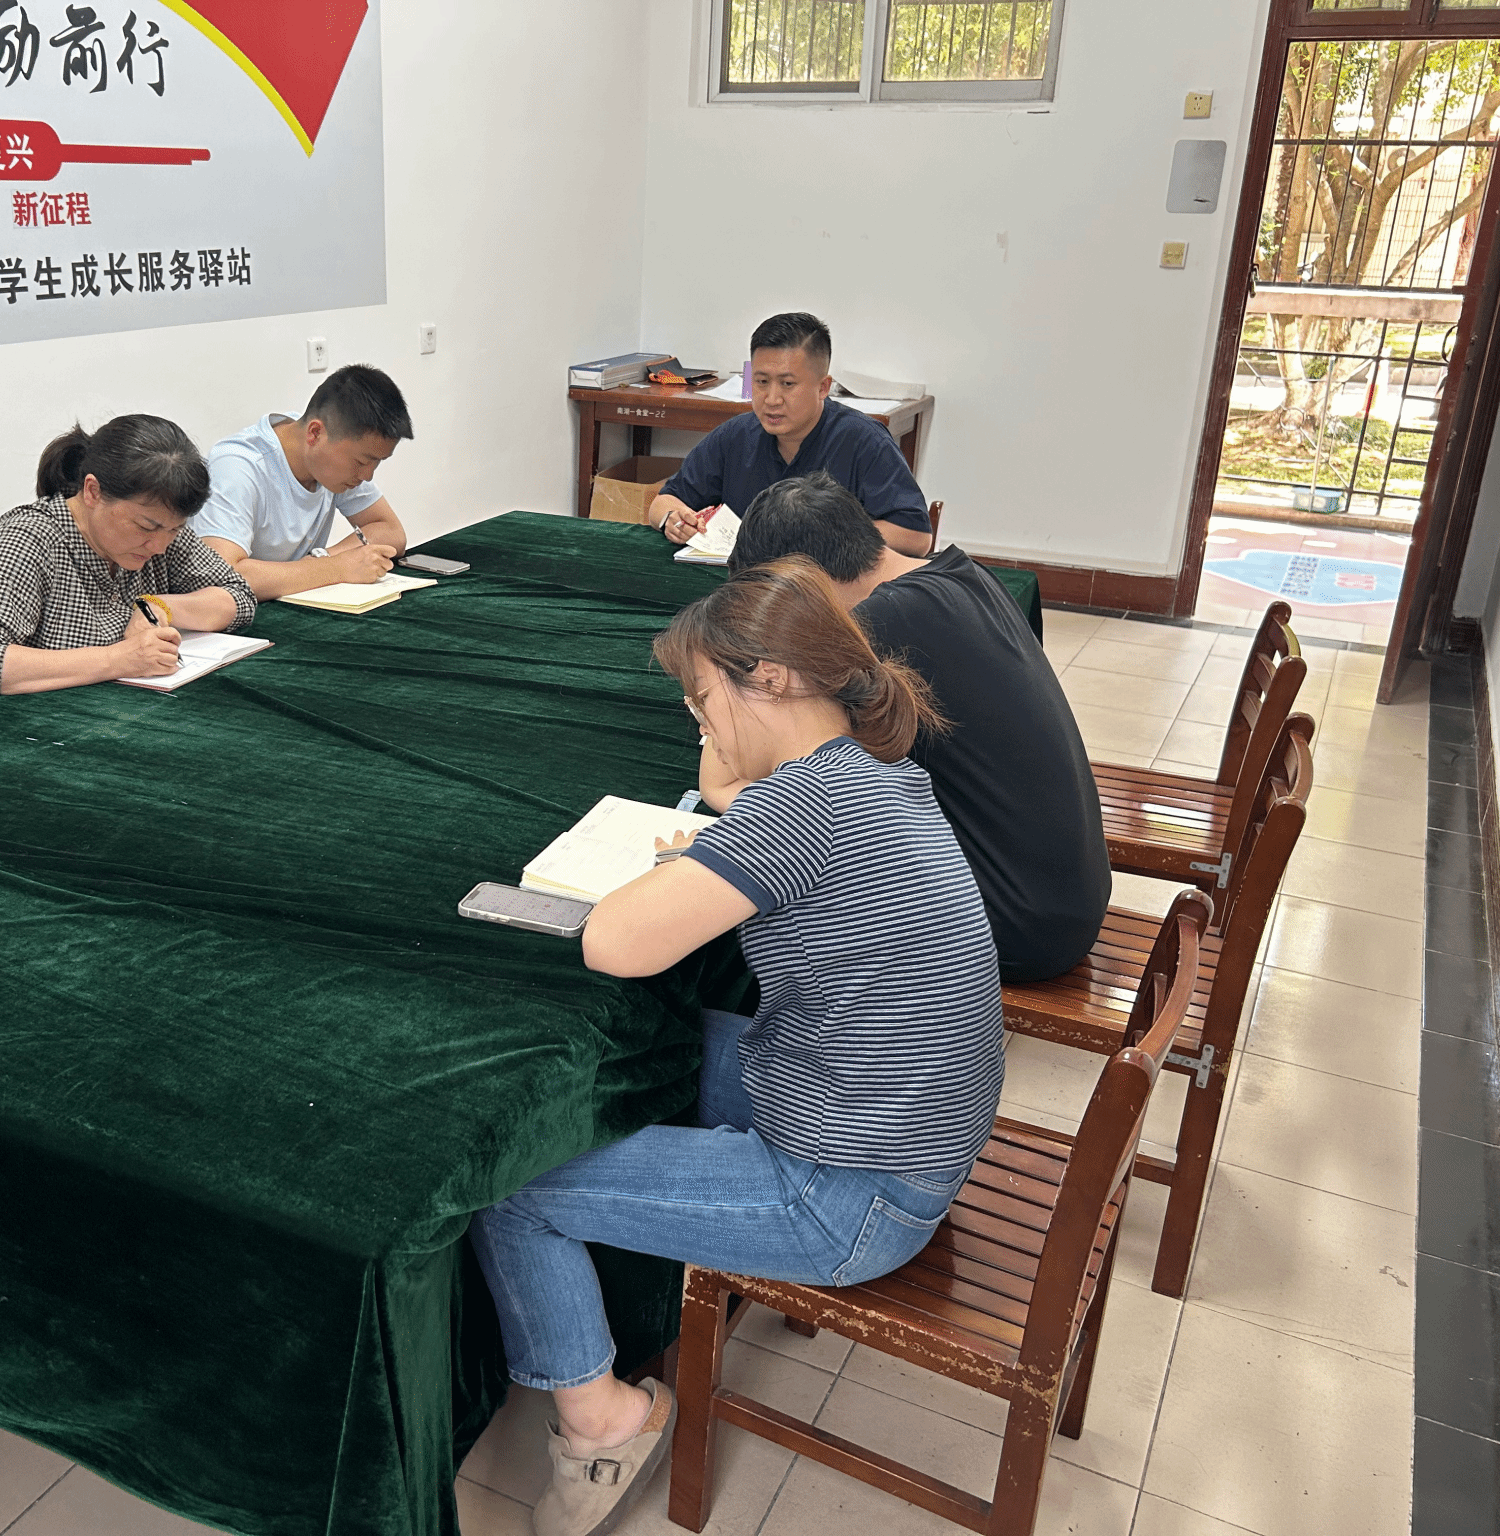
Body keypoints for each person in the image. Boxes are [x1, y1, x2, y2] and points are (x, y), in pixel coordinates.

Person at [467, 558, 1003, 1536]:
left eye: (702, 699)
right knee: (669, 1038)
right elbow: (737, 794)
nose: (698, 724)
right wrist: (730, 780)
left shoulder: (798, 810)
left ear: (773, 678)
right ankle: (640, 1257)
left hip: (855, 1194)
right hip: (903, 1121)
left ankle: (602, 1422)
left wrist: (704, 831)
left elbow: (614, 942)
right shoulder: (870, 768)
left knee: (510, 1180)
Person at [730, 473, 1110, 981]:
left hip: (1013, 923)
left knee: (782, 894)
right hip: (1068, 894)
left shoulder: (876, 625)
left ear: (806, 582)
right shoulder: (962, 574)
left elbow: (760, 757)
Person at [0, 415, 260, 701]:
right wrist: (120, 659)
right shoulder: (29, 537)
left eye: (175, 529)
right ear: (92, 491)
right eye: (145, 527)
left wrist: (159, 605)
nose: (160, 547)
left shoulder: (161, 530)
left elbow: (239, 596)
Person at [646, 312, 931, 556]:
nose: (772, 399)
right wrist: (673, 520)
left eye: (787, 384)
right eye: (761, 381)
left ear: (823, 387)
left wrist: (823, 537)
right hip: (744, 585)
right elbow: (664, 502)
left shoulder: (863, 441)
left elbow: (916, 537)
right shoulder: (736, 436)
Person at [193, 364, 413, 599]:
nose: (368, 475)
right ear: (315, 433)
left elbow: (391, 532)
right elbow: (221, 576)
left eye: (377, 462)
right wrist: (336, 568)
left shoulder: (331, 456)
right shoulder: (238, 466)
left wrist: (324, 558)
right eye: (362, 462)